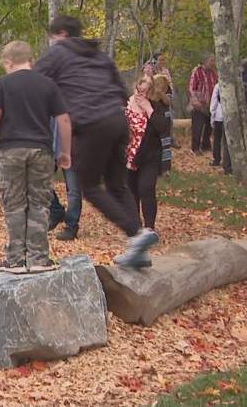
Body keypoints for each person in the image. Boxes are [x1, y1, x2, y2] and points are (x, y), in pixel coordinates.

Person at [33, 15, 158, 269]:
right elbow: (122, 92)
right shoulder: (100, 57)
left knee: (88, 185)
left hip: (91, 124)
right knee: (116, 185)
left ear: (62, 35)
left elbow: (33, 83)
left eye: (53, 36)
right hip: (117, 121)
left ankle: (137, 233)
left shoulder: (57, 54)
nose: (52, 41)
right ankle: (138, 246)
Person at [0, 41, 71, 274]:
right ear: (30, 60)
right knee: (39, 204)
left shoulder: (2, 84)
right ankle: (38, 258)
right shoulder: (48, 85)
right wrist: (65, 152)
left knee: (13, 204)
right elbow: (63, 119)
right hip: (41, 151)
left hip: (10, 150)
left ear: (8, 62)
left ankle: (15, 260)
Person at [126, 75, 173, 234]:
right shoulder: (126, 103)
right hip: (130, 155)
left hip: (150, 155)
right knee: (132, 192)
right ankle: (135, 226)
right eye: (141, 86)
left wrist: (148, 108)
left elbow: (164, 128)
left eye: (147, 88)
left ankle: (149, 228)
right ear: (136, 86)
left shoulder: (157, 105)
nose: (143, 91)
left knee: (146, 188)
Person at [47, 121, 83, 241]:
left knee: (73, 190)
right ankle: (56, 210)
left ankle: (71, 226)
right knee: (41, 183)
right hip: (49, 145)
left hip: (72, 149)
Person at [188, 54, 217, 154]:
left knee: (209, 126)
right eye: (211, 61)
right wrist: (194, 101)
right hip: (199, 104)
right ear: (205, 61)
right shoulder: (197, 71)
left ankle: (206, 145)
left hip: (210, 103)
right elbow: (192, 87)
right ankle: (195, 148)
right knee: (198, 127)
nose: (213, 63)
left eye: (213, 61)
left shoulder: (213, 73)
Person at [209, 80, 232, 174]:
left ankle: (217, 159)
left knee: (217, 139)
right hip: (228, 117)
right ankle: (227, 162)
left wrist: (212, 114)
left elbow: (214, 101)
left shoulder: (218, 86)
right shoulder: (232, 85)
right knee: (226, 141)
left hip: (219, 116)